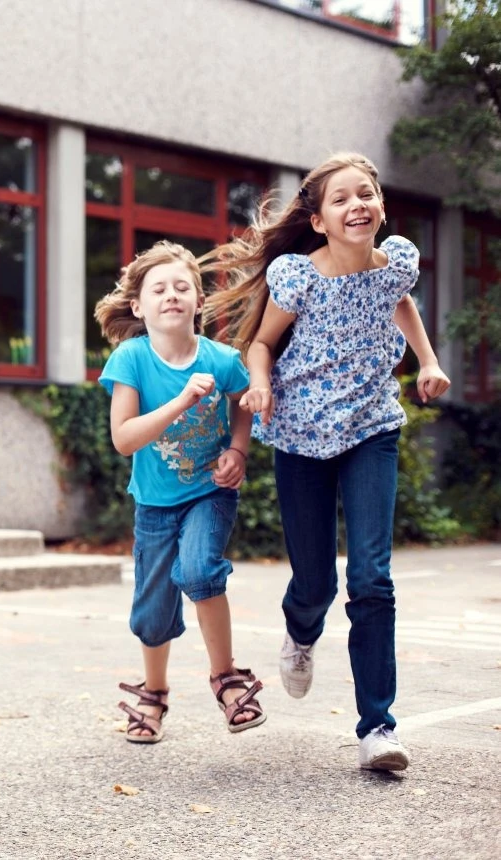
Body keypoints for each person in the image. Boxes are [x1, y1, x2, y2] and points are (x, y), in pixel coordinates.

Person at [203, 153, 452, 772]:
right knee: (314, 580)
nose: (357, 205)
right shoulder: (299, 276)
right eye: (341, 199)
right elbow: (261, 342)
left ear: (381, 207)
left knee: (372, 577)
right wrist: (258, 385)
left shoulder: (396, 262)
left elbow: (402, 304)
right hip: (300, 434)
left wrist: (426, 359)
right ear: (319, 221)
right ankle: (302, 630)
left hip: (372, 427)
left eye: (365, 194)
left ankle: (378, 727)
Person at [94, 240, 264, 744]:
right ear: (138, 306)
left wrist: (238, 449)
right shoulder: (131, 358)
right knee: (150, 615)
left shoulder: (221, 358)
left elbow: (242, 401)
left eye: (182, 287)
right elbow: (124, 439)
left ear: (197, 302)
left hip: (208, 491)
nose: (171, 295)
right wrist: (184, 400)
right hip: (154, 503)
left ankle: (227, 680)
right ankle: (155, 693)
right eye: (159, 288)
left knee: (199, 571)